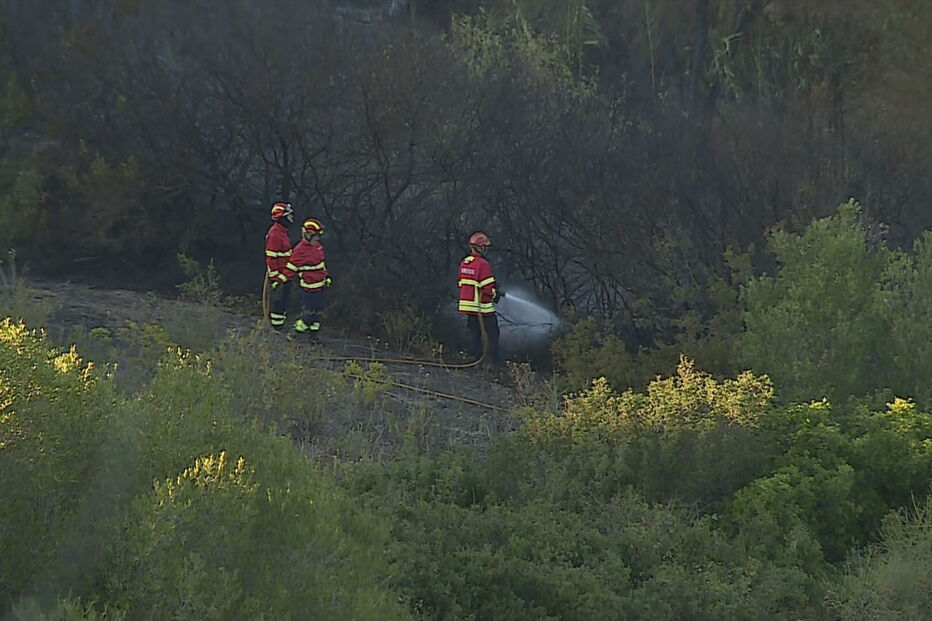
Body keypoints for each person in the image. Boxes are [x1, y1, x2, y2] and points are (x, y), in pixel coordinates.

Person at [457, 231, 503, 366]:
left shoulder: (465, 263)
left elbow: (463, 283)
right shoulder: (483, 264)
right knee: (493, 333)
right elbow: (487, 289)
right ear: (480, 247)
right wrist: (496, 294)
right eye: (485, 247)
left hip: (468, 306)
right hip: (482, 307)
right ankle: (493, 363)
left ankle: (475, 358)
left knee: (474, 334)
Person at [280, 218, 330, 335]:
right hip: (309, 288)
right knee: (310, 313)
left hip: (320, 286)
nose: (317, 239)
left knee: (318, 313)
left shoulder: (318, 247)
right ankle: (295, 332)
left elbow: (321, 264)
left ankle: (313, 337)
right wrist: (280, 280)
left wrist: (326, 277)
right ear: (308, 234)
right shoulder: (300, 250)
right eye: (315, 236)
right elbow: (291, 268)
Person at [265, 202, 294, 330]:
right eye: (289, 215)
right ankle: (276, 328)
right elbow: (271, 258)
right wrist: (276, 278)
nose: (291, 217)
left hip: (285, 274)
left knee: (284, 301)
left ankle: (280, 325)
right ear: (282, 218)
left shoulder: (282, 232)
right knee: (278, 301)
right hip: (280, 276)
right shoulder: (275, 234)